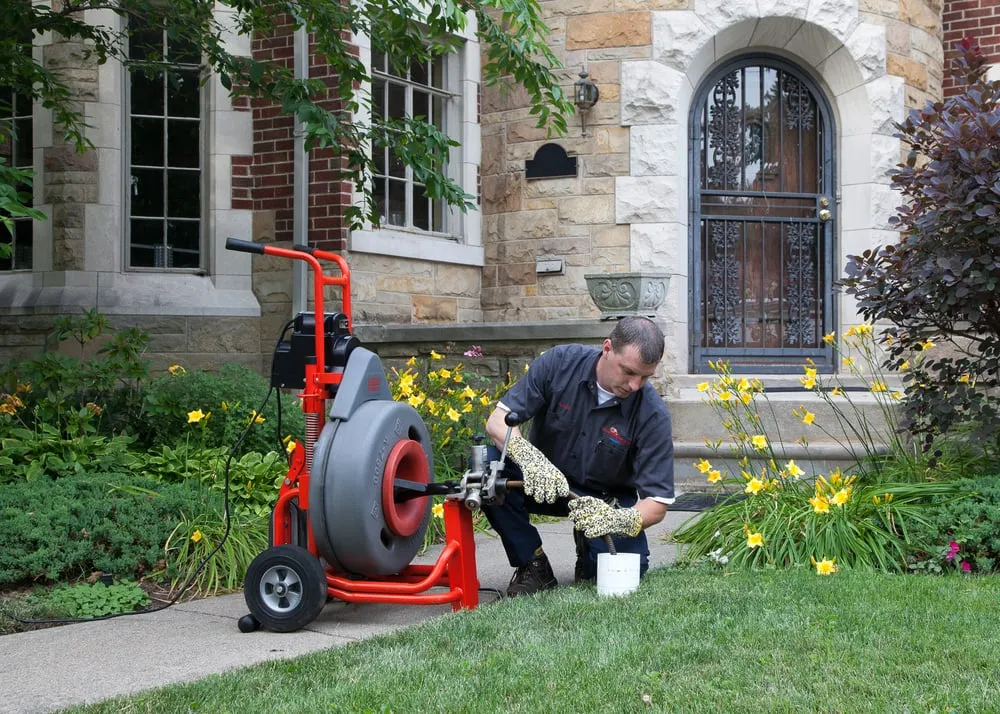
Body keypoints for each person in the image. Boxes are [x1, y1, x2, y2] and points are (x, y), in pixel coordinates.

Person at [482, 316, 675, 597]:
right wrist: (530, 459)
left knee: (620, 572)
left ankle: (588, 548)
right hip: (542, 482)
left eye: (645, 377)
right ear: (607, 348)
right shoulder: (560, 363)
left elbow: (657, 502)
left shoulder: (653, 415)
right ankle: (533, 563)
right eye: (628, 372)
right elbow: (497, 422)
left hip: (603, 501)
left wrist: (617, 520)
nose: (635, 385)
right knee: (487, 471)